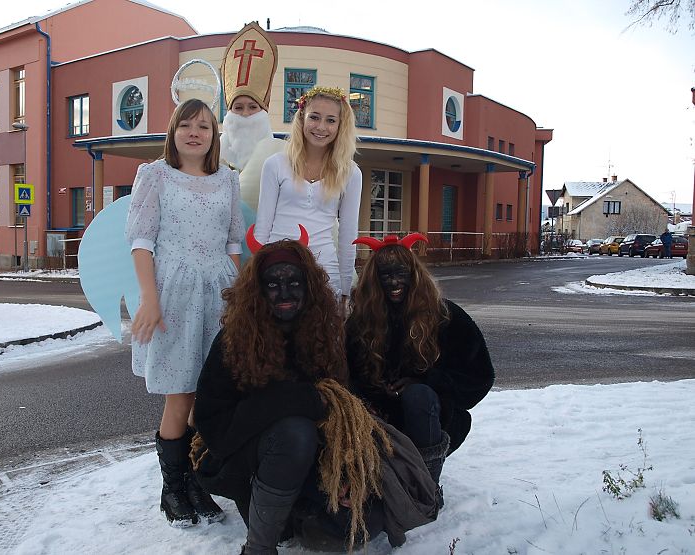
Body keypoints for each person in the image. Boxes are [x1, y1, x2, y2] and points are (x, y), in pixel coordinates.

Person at [192, 236, 434, 554]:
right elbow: (216, 430)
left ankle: (298, 514)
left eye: (294, 283)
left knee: (364, 525)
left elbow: (337, 413)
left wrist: (346, 471)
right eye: (273, 284)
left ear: (309, 288)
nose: (285, 293)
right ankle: (259, 547)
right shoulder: (233, 342)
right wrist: (295, 401)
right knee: (295, 431)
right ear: (258, 291)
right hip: (245, 463)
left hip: (311, 462)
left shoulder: (323, 336)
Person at [124, 98, 244, 527]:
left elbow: (233, 242)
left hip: (218, 293)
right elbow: (141, 241)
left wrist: (236, 298)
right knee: (180, 393)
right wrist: (149, 298)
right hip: (174, 293)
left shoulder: (227, 179)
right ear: (173, 131)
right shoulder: (155, 175)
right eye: (186, 125)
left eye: (204, 126)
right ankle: (172, 490)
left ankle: (195, 482)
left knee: (207, 391)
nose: (195, 133)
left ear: (214, 135)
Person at [346, 234, 495, 505]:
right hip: (378, 421)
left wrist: (427, 381)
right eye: (385, 275)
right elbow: (346, 374)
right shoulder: (361, 321)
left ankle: (425, 490)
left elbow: (480, 375)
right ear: (373, 279)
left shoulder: (445, 316)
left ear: (414, 274)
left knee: (419, 397)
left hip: (432, 418)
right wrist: (371, 397)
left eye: (400, 273)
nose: (394, 282)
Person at [254, 86, 362, 309]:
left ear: (340, 125)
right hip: (278, 268)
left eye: (331, 120)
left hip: (325, 271)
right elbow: (262, 227)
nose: (321, 127)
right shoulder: (275, 164)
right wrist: (257, 274)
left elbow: (348, 234)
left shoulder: (351, 173)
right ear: (302, 117)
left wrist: (345, 288)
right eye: (314, 117)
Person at [219, 21, 286, 258]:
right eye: (238, 108)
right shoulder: (212, 154)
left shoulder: (281, 155)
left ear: (263, 111)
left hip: (266, 252)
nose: (245, 115)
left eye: (252, 107)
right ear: (229, 112)